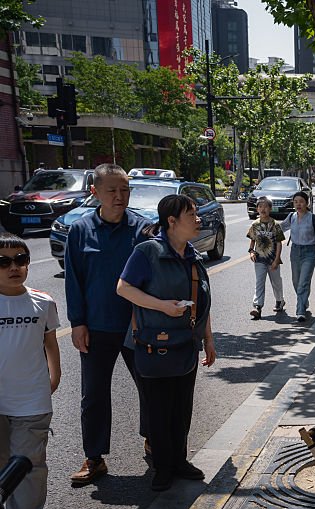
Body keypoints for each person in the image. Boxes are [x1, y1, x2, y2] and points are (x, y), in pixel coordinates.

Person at [116, 195, 216, 492]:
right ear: (171, 221)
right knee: (158, 408)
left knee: (181, 408)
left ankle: (180, 461)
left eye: (197, 213)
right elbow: (123, 288)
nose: (198, 219)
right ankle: (163, 466)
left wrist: (209, 340)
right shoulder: (147, 252)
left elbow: (203, 304)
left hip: (186, 343)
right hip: (152, 344)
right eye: (191, 215)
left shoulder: (193, 256)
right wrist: (162, 306)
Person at [65, 164, 151, 487]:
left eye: (125, 190)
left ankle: (154, 441)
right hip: (97, 326)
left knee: (150, 386)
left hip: (137, 325)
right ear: (95, 192)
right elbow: (74, 281)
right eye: (112, 190)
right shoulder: (80, 231)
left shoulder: (143, 229)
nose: (119, 196)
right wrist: (78, 323)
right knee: (94, 395)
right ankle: (94, 457)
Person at [0, 235, 60, 509]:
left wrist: (54, 375)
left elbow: (51, 344)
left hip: (32, 401)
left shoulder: (43, 302)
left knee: (28, 467)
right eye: (3, 262)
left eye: (20, 259)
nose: (13, 267)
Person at [281, 191, 315, 323]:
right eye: (296, 202)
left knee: (303, 282)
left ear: (307, 203)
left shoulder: (313, 218)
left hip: (309, 253)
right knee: (296, 281)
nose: (298, 204)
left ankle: (300, 311)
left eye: (301, 201)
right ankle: (304, 300)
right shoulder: (291, 217)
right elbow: (281, 228)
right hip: (295, 251)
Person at [247, 197, 286, 320]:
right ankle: (257, 306)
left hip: (272, 259)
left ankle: (280, 300)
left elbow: (279, 243)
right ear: (257, 209)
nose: (263, 209)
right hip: (259, 259)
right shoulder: (255, 225)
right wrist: (251, 252)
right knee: (259, 282)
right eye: (260, 206)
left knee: (276, 282)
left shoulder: (275, 225)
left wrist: (276, 260)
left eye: (265, 207)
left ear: (270, 208)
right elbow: (252, 240)